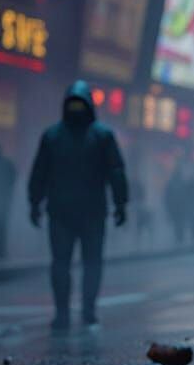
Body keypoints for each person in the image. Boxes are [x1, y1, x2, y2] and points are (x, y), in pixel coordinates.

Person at [28, 81, 128, 331]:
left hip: (69, 212)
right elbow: (116, 171)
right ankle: (85, 312)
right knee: (86, 264)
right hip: (85, 213)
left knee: (66, 264)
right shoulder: (102, 135)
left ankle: (67, 314)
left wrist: (34, 202)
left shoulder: (54, 136)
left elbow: (39, 172)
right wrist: (120, 204)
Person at [164, 162, 190, 244]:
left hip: (177, 207)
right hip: (178, 207)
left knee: (178, 223)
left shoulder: (173, 184)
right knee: (179, 223)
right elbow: (167, 197)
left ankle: (179, 238)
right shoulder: (181, 183)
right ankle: (179, 238)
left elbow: (166, 197)